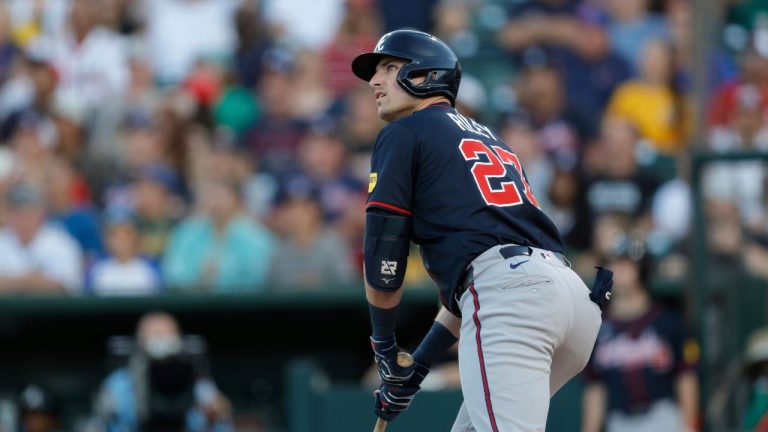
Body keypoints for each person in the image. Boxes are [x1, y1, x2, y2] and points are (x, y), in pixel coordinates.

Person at [350, 29, 611, 431]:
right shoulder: (493, 139)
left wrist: (384, 348)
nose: (375, 82)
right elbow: (474, 282)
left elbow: (384, 247)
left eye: (389, 67)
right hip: (569, 299)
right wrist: (416, 368)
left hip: (513, 297)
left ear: (425, 75)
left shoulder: (405, 132)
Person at [581, 240, 699, 432]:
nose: (617, 270)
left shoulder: (667, 320)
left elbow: (686, 376)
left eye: (625, 264)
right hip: (620, 421)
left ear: (640, 269)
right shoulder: (598, 326)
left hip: (664, 417)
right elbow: (595, 388)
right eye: (613, 263)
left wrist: (688, 426)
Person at [94, 312, 233, 432]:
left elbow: (217, 422)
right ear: (140, 341)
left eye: (166, 333)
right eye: (154, 334)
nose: (161, 340)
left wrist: (216, 414)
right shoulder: (119, 382)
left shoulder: (198, 379)